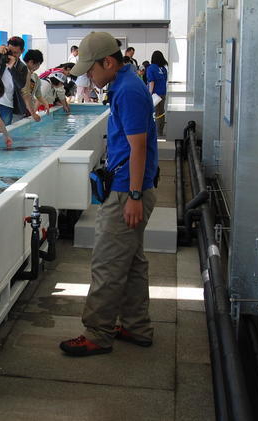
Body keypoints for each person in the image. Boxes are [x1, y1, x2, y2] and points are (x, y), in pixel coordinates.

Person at [59, 32, 158, 357]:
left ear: (109, 62)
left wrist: (132, 194)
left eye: (91, 69)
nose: (88, 76)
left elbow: (138, 147)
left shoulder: (128, 91)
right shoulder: (124, 85)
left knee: (107, 262)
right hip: (131, 187)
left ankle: (98, 333)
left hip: (127, 190)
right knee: (131, 262)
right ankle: (135, 325)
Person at [20, 49, 47, 118]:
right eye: (37, 64)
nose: (38, 67)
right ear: (31, 62)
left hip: (28, 108)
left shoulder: (36, 78)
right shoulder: (19, 72)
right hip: (19, 108)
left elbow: (38, 95)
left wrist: (45, 103)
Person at [146, 51, 168, 137]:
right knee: (161, 112)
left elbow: (151, 82)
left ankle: (156, 133)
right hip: (162, 93)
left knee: (154, 113)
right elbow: (164, 80)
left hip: (155, 94)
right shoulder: (163, 69)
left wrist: (149, 94)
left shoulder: (151, 68)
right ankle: (160, 131)